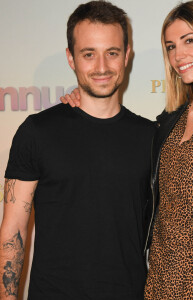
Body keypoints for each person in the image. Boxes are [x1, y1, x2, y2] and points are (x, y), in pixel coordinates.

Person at [61, 1, 193, 299]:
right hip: (156, 282)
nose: (178, 55)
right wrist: (81, 100)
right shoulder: (167, 123)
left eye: (189, 40)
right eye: (171, 46)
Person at [0, 1, 154, 299]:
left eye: (112, 53)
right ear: (71, 58)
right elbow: (13, 229)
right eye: (88, 54)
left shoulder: (152, 137)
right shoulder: (36, 132)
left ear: (127, 55)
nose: (101, 67)